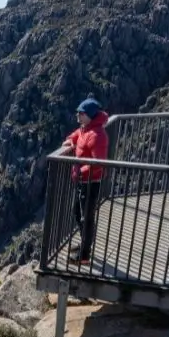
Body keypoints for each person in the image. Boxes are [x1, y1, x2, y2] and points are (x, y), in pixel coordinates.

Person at [62, 96, 109, 264]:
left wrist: (81, 172)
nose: (78, 115)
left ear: (89, 115)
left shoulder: (97, 135)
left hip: (90, 182)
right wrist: (70, 140)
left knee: (85, 217)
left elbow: (99, 163)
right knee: (78, 213)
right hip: (83, 181)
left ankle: (84, 255)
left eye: (81, 113)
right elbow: (77, 134)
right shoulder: (86, 128)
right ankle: (85, 244)